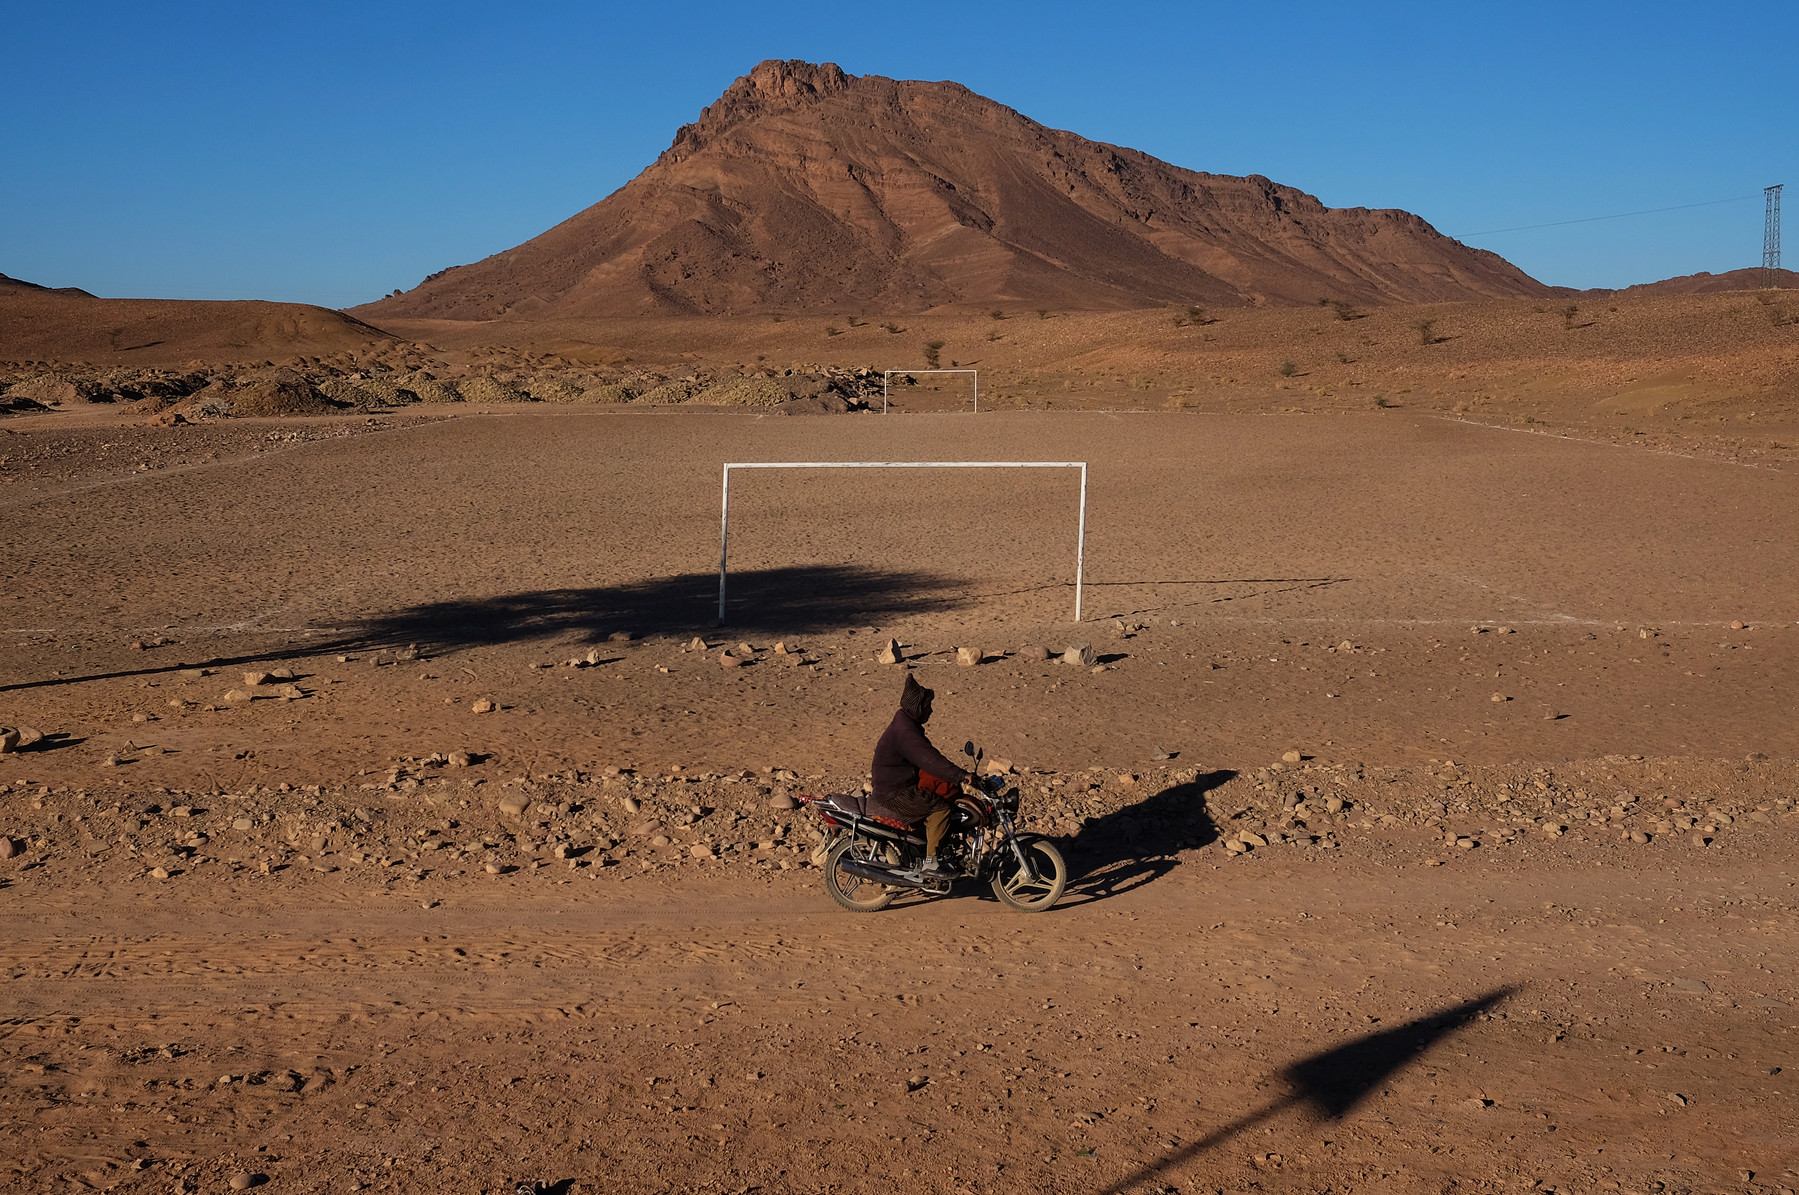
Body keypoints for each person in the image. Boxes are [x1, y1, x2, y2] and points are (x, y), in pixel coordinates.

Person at [871, 673, 971, 875]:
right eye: (927, 707)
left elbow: (930, 757)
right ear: (917, 708)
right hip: (894, 792)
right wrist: (960, 775)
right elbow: (929, 759)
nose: (931, 710)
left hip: (899, 784)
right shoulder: (905, 731)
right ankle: (931, 862)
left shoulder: (907, 725)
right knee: (941, 809)